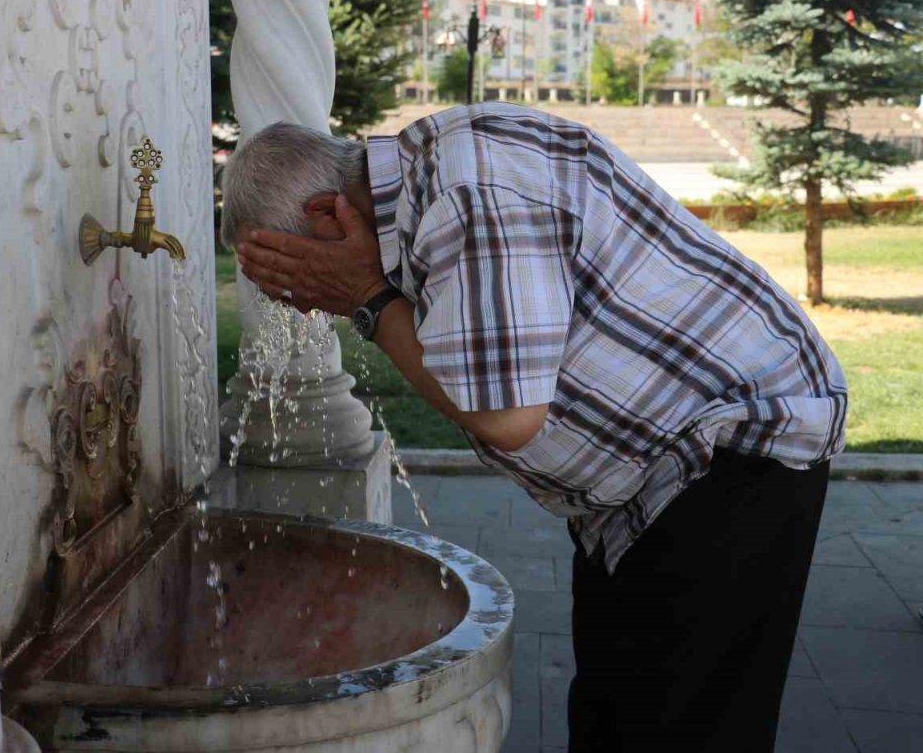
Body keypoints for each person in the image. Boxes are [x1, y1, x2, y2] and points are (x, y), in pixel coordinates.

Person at [223, 104, 847, 753]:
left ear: (328, 214)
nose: (297, 301)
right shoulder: (429, 192)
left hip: (731, 446)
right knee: (615, 713)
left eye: (287, 273)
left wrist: (369, 299)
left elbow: (507, 416)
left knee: (685, 726)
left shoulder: (465, 187)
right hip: (642, 488)